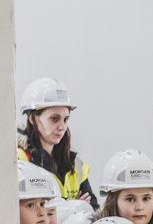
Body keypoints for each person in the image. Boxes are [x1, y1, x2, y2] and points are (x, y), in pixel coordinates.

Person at [17, 77, 97, 208]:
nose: (62, 127)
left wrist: (60, 206)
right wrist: (75, 205)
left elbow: (92, 209)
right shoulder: (20, 161)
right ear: (32, 118)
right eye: (54, 119)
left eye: (65, 119)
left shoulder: (75, 164)